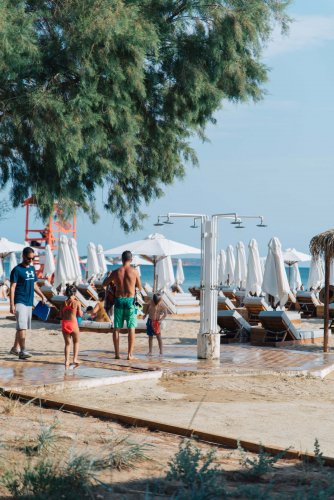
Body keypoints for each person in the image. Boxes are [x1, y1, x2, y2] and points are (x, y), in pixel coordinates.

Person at [9, 247, 47, 359]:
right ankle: (23, 351)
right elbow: (12, 287)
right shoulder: (16, 270)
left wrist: (42, 296)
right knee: (22, 327)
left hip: (29, 301)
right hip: (20, 300)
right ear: (23, 256)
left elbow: (35, 285)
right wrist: (12, 304)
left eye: (32, 258)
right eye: (28, 259)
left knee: (21, 326)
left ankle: (15, 348)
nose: (30, 261)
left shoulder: (32, 269)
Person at [103, 250, 142, 360]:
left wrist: (109, 276)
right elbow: (140, 287)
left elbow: (104, 284)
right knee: (131, 328)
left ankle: (117, 354)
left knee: (117, 328)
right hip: (130, 301)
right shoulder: (134, 272)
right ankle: (130, 355)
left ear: (122, 259)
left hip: (119, 300)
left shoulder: (116, 272)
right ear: (131, 259)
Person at [61, 284, 83, 369]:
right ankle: (75, 359)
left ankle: (66, 361)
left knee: (67, 344)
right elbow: (80, 314)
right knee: (76, 342)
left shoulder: (63, 303)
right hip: (73, 324)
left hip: (65, 324)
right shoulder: (77, 303)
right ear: (75, 293)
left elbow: (61, 314)